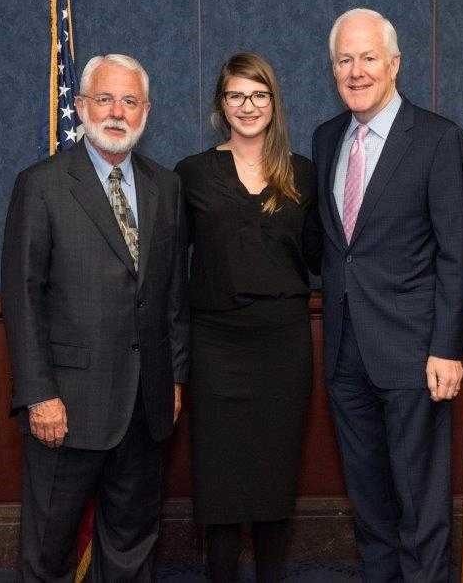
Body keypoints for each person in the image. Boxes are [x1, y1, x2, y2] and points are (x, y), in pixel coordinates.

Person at [1, 53, 189, 582]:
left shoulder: (166, 187)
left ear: (146, 111)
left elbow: (172, 294)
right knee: (48, 551)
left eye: (129, 101)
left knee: (131, 546)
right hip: (66, 406)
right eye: (104, 98)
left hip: (146, 407)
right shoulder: (41, 185)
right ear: (81, 105)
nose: (116, 112)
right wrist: (38, 393)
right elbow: (22, 297)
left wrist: (174, 378)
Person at [311, 9, 463, 581]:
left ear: (394, 64)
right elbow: (337, 248)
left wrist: (448, 348)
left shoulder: (438, 140)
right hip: (344, 352)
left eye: (368, 58)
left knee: (420, 500)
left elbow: (458, 254)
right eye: (344, 60)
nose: (356, 71)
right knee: (369, 498)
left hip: (415, 354)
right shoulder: (327, 137)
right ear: (333, 69)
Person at [174, 52, 321, 582]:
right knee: (219, 477)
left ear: (274, 103)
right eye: (236, 95)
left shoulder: (303, 173)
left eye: (259, 95)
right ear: (221, 104)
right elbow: (172, 269)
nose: (248, 105)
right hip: (215, 344)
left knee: (274, 474)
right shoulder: (191, 174)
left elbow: (322, 256)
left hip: (283, 344)